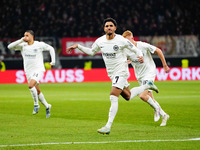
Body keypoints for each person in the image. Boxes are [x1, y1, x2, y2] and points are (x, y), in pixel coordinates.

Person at [67, 18, 159, 135]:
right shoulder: (100, 41)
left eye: (111, 26)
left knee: (113, 96)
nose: (109, 27)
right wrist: (78, 46)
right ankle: (147, 85)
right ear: (104, 28)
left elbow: (135, 49)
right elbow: (91, 51)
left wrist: (140, 55)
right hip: (111, 73)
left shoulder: (121, 40)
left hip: (121, 72)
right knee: (128, 96)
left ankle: (108, 126)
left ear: (115, 28)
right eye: (106, 26)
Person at [122, 30, 170, 126]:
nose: (127, 43)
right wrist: (128, 61)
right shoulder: (127, 50)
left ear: (132, 38)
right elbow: (125, 59)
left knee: (142, 96)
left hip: (149, 72)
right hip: (139, 76)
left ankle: (157, 110)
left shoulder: (143, 45)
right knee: (150, 99)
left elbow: (158, 50)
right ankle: (164, 115)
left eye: (128, 41)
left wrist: (165, 65)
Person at [7, 30, 55, 118]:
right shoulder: (23, 46)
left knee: (30, 85)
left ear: (32, 37)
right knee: (37, 91)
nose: (25, 37)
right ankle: (47, 106)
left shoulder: (39, 44)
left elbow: (51, 48)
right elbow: (9, 47)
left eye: (27, 35)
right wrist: (21, 40)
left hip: (38, 69)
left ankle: (36, 105)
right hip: (28, 71)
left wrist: (53, 62)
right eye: (24, 35)